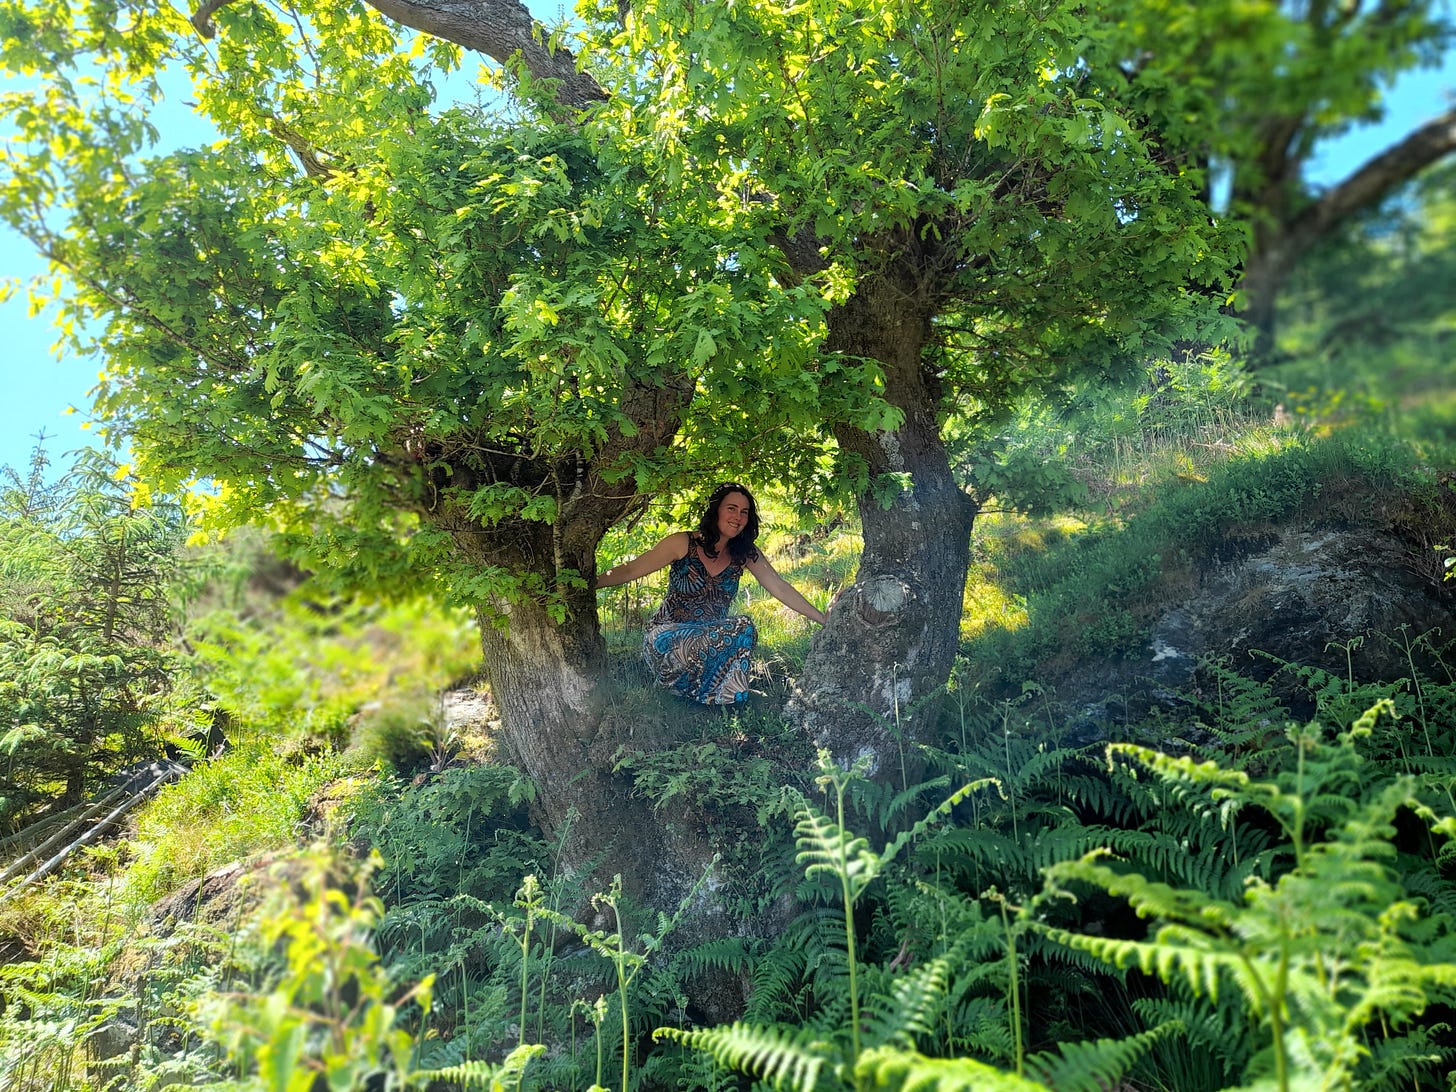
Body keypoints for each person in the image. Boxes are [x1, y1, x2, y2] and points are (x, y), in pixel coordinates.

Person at [595, 482, 829, 705]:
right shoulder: (683, 542)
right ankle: (675, 685)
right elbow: (631, 569)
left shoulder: (745, 553)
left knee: (745, 628)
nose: (738, 517)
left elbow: (779, 586)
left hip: (710, 639)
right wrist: (588, 585)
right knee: (732, 630)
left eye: (744, 512)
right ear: (716, 510)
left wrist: (823, 620)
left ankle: (720, 700)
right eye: (731, 508)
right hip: (667, 638)